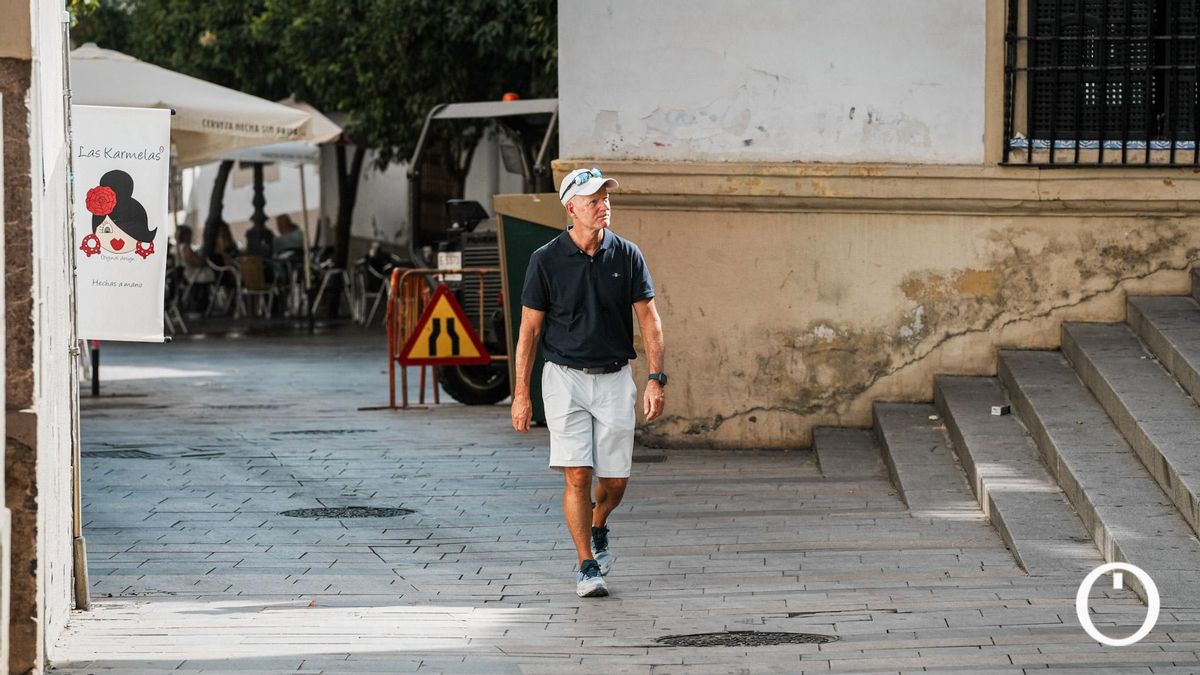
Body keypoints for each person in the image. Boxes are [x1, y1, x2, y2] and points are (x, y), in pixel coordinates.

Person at [512, 167, 666, 598]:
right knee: (578, 473)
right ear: (571, 208)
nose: (604, 205)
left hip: (615, 377)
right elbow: (529, 332)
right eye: (593, 199)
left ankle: (599, 524)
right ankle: (585, 564)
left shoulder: (627, 255)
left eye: (605, 197)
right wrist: (521, 394)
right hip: (563, 378)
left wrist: (655, 379)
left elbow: (650, 320)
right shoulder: (545, 260)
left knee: (614, 480)